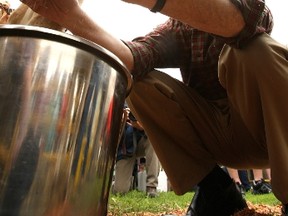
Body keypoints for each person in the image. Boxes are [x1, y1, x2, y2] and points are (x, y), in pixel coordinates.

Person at [12, 0, 288, 215]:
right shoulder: (177, 29)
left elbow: (243, 21)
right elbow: (132, 56)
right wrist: (68, 14)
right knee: (135, 78)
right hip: (217, 138)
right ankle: (216, 190)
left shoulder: (246, 5)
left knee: (255, 48)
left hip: (267, 134)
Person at [112, 108, 160, 198]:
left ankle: (151, 187)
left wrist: (140, 125)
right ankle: (119, 184)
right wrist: (121, 118)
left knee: (154, 139)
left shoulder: (141, 101)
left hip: (142, 140)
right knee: (120, 191)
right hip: (125, 148)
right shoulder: (118, 100)